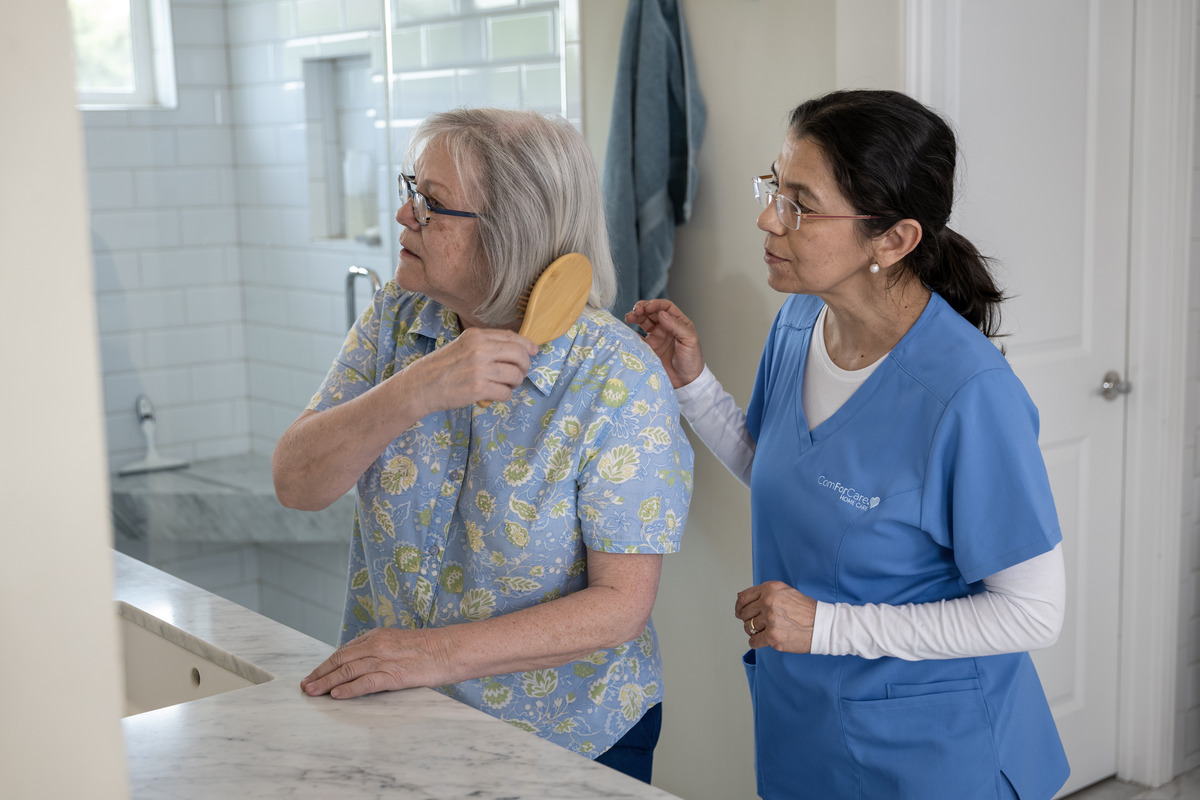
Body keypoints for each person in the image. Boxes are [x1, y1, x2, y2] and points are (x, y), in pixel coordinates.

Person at [626, 89, 1069, 799]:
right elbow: (790, 474)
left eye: (799, 204)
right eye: (773, 186)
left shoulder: (968, 395)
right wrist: (694, 387)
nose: (766, 218)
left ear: (892, 240)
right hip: (807, 728)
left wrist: (826, 626)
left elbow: (1033, 612)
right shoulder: (802, 321)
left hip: (933, 753)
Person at [273, 107, 694, 783]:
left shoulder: (617, 377)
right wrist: (413, 390)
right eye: (412, 188)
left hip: (568, 737)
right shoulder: (396, 319)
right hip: (403, 718)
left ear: (513, 231)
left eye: (432, 204)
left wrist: (430, 656)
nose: (406, 216)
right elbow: (296, 483)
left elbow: (620, 605)